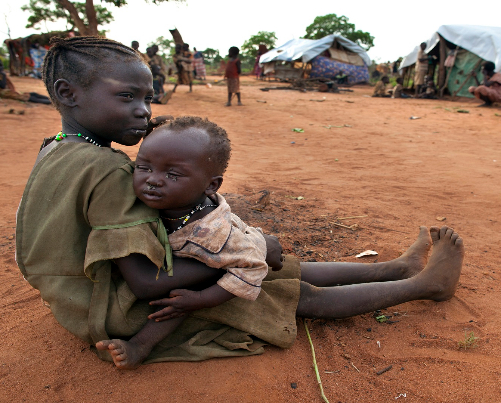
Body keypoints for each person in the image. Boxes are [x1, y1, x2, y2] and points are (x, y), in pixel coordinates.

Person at [15, 36, 464, 369]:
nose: (144, 112)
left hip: (72, 297)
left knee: (265, 262)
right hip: (115, 307)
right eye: (127, 96)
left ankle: (393, 269)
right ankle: (424, 286)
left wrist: (244, 251)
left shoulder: (54, 145)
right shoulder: (109, 171)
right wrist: (249, 253)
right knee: (289, 289)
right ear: (68, 93)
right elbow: (149, 285)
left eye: (148, 98)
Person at [95, 115, 465, 369]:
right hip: (220, 262)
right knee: (290, 273)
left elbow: (248, 270)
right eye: (144, 167)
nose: (152, 180)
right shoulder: (180, 201)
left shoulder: (214, 235)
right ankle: (397, 268)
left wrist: (204, 297)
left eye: (172, 174)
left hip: (233, 272)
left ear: (210, 185)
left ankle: (426, 284)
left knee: (302, 295)